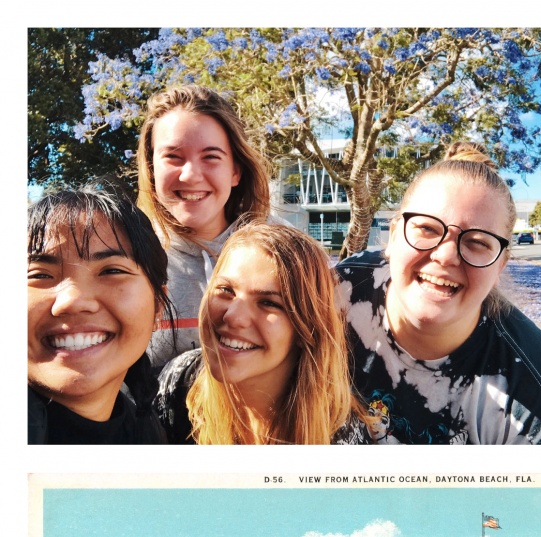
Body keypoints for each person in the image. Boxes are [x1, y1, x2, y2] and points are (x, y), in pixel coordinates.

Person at [336, 141, 541, 444]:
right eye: (427, 229)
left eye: (477, 241)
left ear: (500, 265)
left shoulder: (538, 403)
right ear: (394, 236)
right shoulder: (340, 289)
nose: (446, 256)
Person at [155, 222, 369, 444]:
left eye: (269, 303)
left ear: (307, 327)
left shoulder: (340, 438)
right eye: (226, 290)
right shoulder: (178, 382)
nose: (233, 316)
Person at [137, 84, 271, 369]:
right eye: (173, 157)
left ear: (235, 170)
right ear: (151, 168)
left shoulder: (282, 254)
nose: (191, 175)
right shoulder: (127, 259)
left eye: (211, 157)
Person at [28, 186, 175, 444]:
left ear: (157, 307)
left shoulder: (149, 433)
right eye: (40, 275)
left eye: (111, 271)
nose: (72, 301)